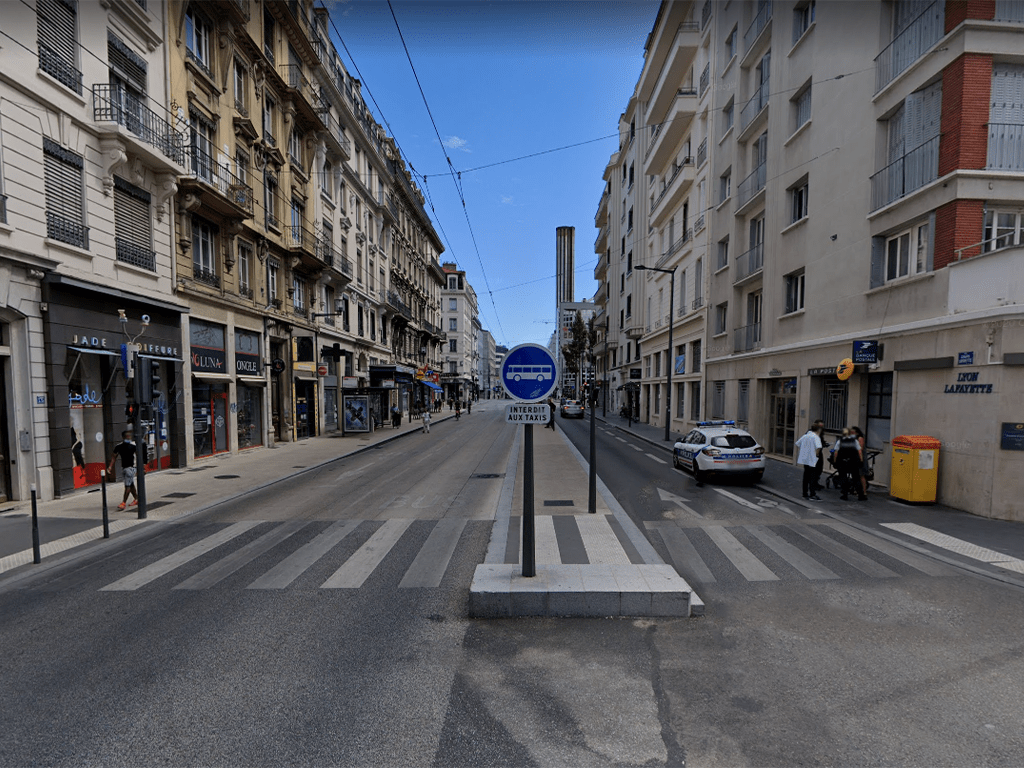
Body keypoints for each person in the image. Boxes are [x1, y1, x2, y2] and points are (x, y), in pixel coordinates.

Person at [108, 430, 140, 510]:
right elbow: (114, 457)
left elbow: (138, 457)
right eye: (127, 436)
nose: (128, 437)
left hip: (130, 468)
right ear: (123, 437)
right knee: (131, 484)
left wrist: (140, 468)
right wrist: (110, 467)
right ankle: (137, 499)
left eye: (129, 436)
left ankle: (123, 503)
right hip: (125, 468)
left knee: (127, 486)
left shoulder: (133, 446)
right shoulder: (119, 447)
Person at [833, 428, 865, 501]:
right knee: (856, 478)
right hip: (853, 462)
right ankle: (861, 495)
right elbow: (859, 451)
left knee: (843, 478)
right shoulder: (855, 441)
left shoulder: (839, 441)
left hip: (843, 463)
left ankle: (845, 494)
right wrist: (861, 461)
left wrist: (835, 462)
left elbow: (836, 453)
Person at [795, 424, 823, 501]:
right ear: (818, 430)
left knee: (806, 476)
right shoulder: (816, 437)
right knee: (812, 477)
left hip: (805, 459)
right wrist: (816, 455)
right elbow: (819, 447)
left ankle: (804, 493)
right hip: (812, 459)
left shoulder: (805, 436)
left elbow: (797, 443)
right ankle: (812, 494)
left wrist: (805, 449)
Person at [850, 426, 870, 500]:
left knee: (861, 475)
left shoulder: (860, 438)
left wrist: (861, 460)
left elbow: (860, 450)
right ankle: (857, 490)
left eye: (853, 432)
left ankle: (864, 492)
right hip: (856, 459)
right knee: (856, 476)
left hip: (860, 459)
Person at [811, 419, 828, 492]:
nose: (821, 428)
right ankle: (813, 485)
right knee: (814, 470)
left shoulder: (820, 433)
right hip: (814, 453)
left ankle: (815, 483)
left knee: (819, 468)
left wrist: (824, 444)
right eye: (820, 426)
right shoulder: (812, 433)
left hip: (819, 452)